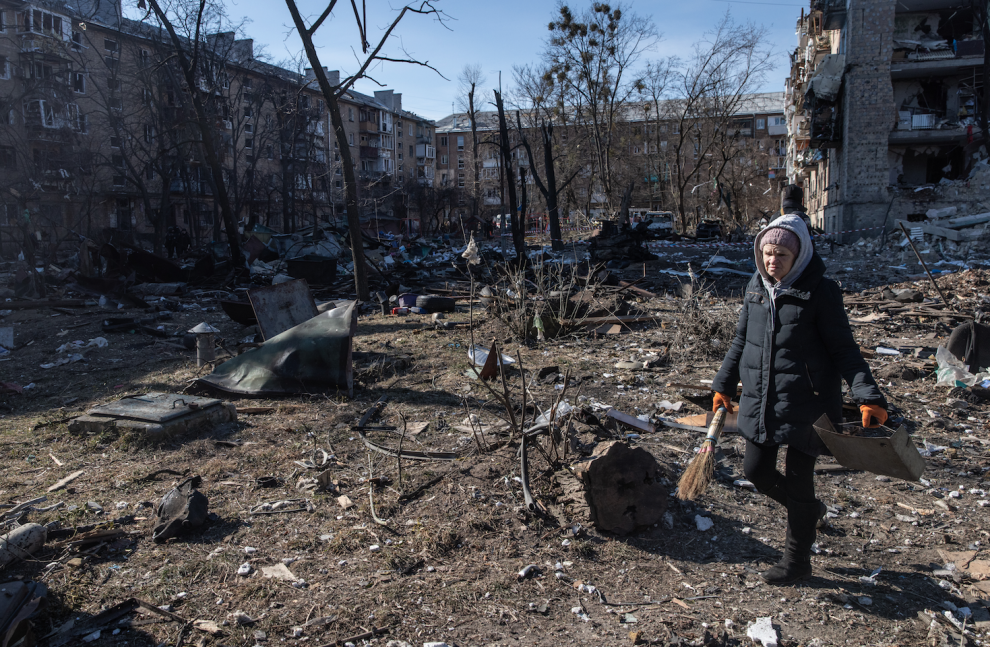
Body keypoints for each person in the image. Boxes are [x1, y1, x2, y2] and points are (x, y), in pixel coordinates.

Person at [711, 214, 888, 585]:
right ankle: (809, 512)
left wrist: (867, 396)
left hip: (809, 403)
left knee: (799, 479)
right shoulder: (756, 287)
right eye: (767, 253)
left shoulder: (821, 292)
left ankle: (797, 562)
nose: (772, 261)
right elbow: (741, 341)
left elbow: (844, 349)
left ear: (800, 256)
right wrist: (723, 384)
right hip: (762, 400)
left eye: (780, 255)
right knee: (756, 471)